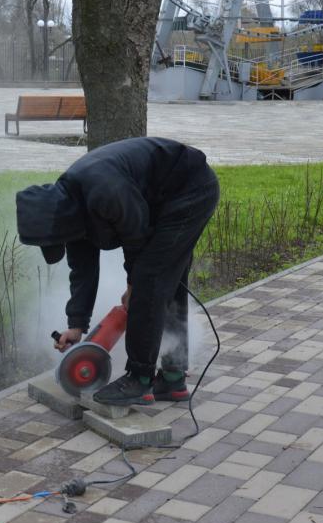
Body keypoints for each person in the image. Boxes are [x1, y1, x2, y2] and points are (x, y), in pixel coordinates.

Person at [15, 137, 219, 406]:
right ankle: (172, 379)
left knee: (151, 279)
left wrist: (134, 287)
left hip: (190, 189)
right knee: (167, 280)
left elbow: (138, 239)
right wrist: (77, 325)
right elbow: (82, 270)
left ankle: (139, 380)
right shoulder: (68, 207)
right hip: (161, 199)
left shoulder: (103, 191)